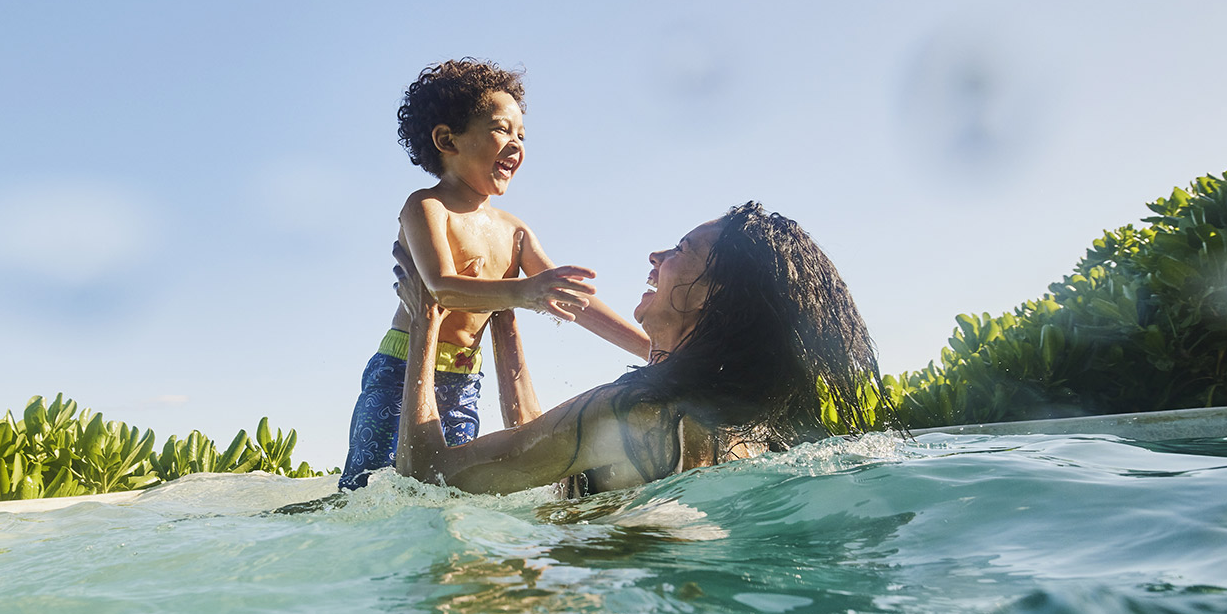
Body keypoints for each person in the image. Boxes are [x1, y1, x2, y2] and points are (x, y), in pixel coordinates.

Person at [391, 202, 891, 495]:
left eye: (681, 249)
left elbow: (428, 474)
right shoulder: (751, 426)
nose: (656, 255)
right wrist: (505, 322)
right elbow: (546, 451)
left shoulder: (630, 410)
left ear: (710, 294)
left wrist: (425, 321)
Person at [340, 59, 649, 490]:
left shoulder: (515, 231)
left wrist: (651, 350)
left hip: (466, 380)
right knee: (366, 489)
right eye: (502, 129)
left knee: (443, 490)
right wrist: (523, 291)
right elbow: (439, 286)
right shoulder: (427, 207)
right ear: (447, 139)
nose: (516, 144)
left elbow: (574, 301)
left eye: (522, 135)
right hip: (402, 367)